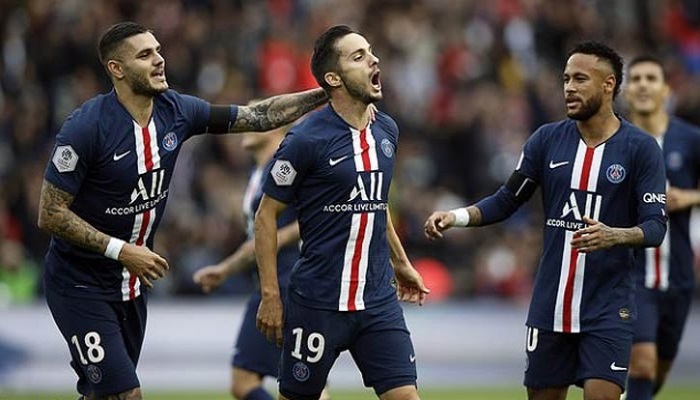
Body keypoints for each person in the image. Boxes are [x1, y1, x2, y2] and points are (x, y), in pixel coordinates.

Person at [37, 21, 328, 400]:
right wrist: (121, 250)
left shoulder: (176, 110)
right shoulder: (86, 127)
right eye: (145, 55)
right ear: (116, 69)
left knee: (101, 394)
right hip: (79, 282)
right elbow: (50, 213)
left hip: (130, 284)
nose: (159, 60)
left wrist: (327, 93)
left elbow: (259, 116)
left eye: (158, 50)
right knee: (125, 393)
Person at [424, 41, 668, 400]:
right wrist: (456, 216)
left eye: (580, 79)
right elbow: (506, 200)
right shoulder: (547, 140)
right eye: (566, 79)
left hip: (608, 307)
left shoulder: (641, 149)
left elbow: (655, 227)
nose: (569, 87)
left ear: (609, 85)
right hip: (550, 306)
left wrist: (615, 235)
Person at [254, 25, 429, 400]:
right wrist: (270, 295)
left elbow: (376, 205)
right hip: (317, 303)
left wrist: (401, 262)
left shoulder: (387, 130)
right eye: (359, 57)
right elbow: (265, 216)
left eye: (370, 51)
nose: (374, 60)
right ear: (334, 78)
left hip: (378, 301)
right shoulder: (305, 140)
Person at [192, 112, 331, 400]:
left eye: (256, 117)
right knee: (296, 382)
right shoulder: (259, 173)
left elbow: (317, 214)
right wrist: (226, 269)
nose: (247, 124)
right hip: (271, 280)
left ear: (274, 126)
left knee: (278, 381)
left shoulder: (286, 166)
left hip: (288, 280)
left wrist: (270, 241)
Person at [622, 56, 700, 400]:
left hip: (679, 275)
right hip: (632, 274)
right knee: (642, 363)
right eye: (636, 78)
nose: (643, 84)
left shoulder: (690, 139)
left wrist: (691, 197)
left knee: (658, 369)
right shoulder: (615, 141)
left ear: (666, 90)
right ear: (625, 91)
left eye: (651, 78)